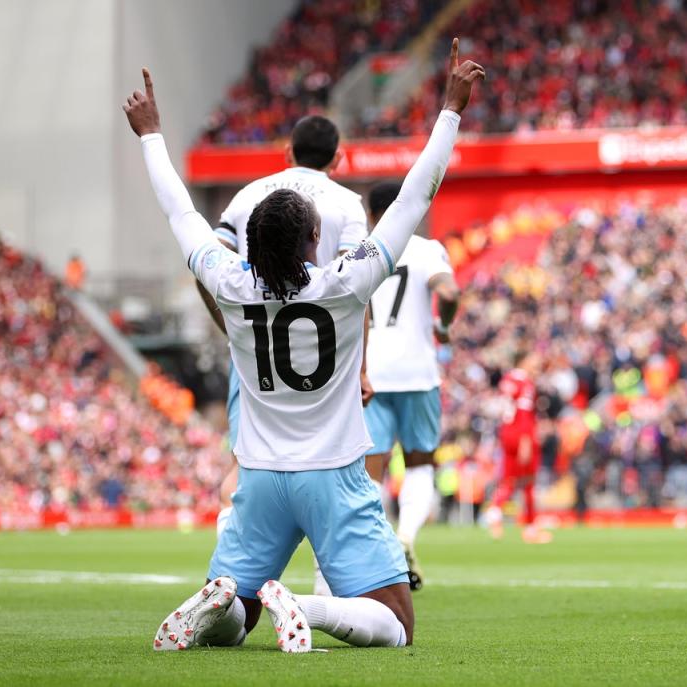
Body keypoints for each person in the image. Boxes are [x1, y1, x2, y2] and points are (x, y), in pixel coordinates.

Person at [123, 39, 484, 652]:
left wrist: (151, 135)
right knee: (397, 625)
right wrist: (451, 108)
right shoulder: (346, 284)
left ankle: (225, 603)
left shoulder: (231, 283)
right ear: (314, 238)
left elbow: (180, 214)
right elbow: (415, 196)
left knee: (236, 607)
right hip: (333, 474)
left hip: (260, 476)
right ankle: (308, 607)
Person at [205, 99, 373, 598]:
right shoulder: (345, 203)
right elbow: (354, 289)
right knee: (337, 469)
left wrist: (231, 324)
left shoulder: (246, 197)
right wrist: (362, 365)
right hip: (327, 354)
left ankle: (228, 588)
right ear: (338, 158)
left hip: (255, 348)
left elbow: (210, 263)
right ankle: (326, 596)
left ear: (286, 152)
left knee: (243, 470)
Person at [362, 181, 460, 591]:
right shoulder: (425, 249)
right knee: (420, 463)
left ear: (371, 213)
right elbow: (449, 291)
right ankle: (406, 537)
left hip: (373, 374)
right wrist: (443, 324)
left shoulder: (361, 251)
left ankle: (379, 551)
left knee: (372, 470)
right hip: (418, 374)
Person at [487, 352, 552, 544]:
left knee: (509, 479)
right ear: (523, 360)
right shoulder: (525, 383)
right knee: (528, 481)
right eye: (533, 359)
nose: (537, 363)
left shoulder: (507, 379)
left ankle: (495, 512)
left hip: (506, 432)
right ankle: (531, 528)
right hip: (521, 433)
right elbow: (523, 413)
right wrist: (525, 439)